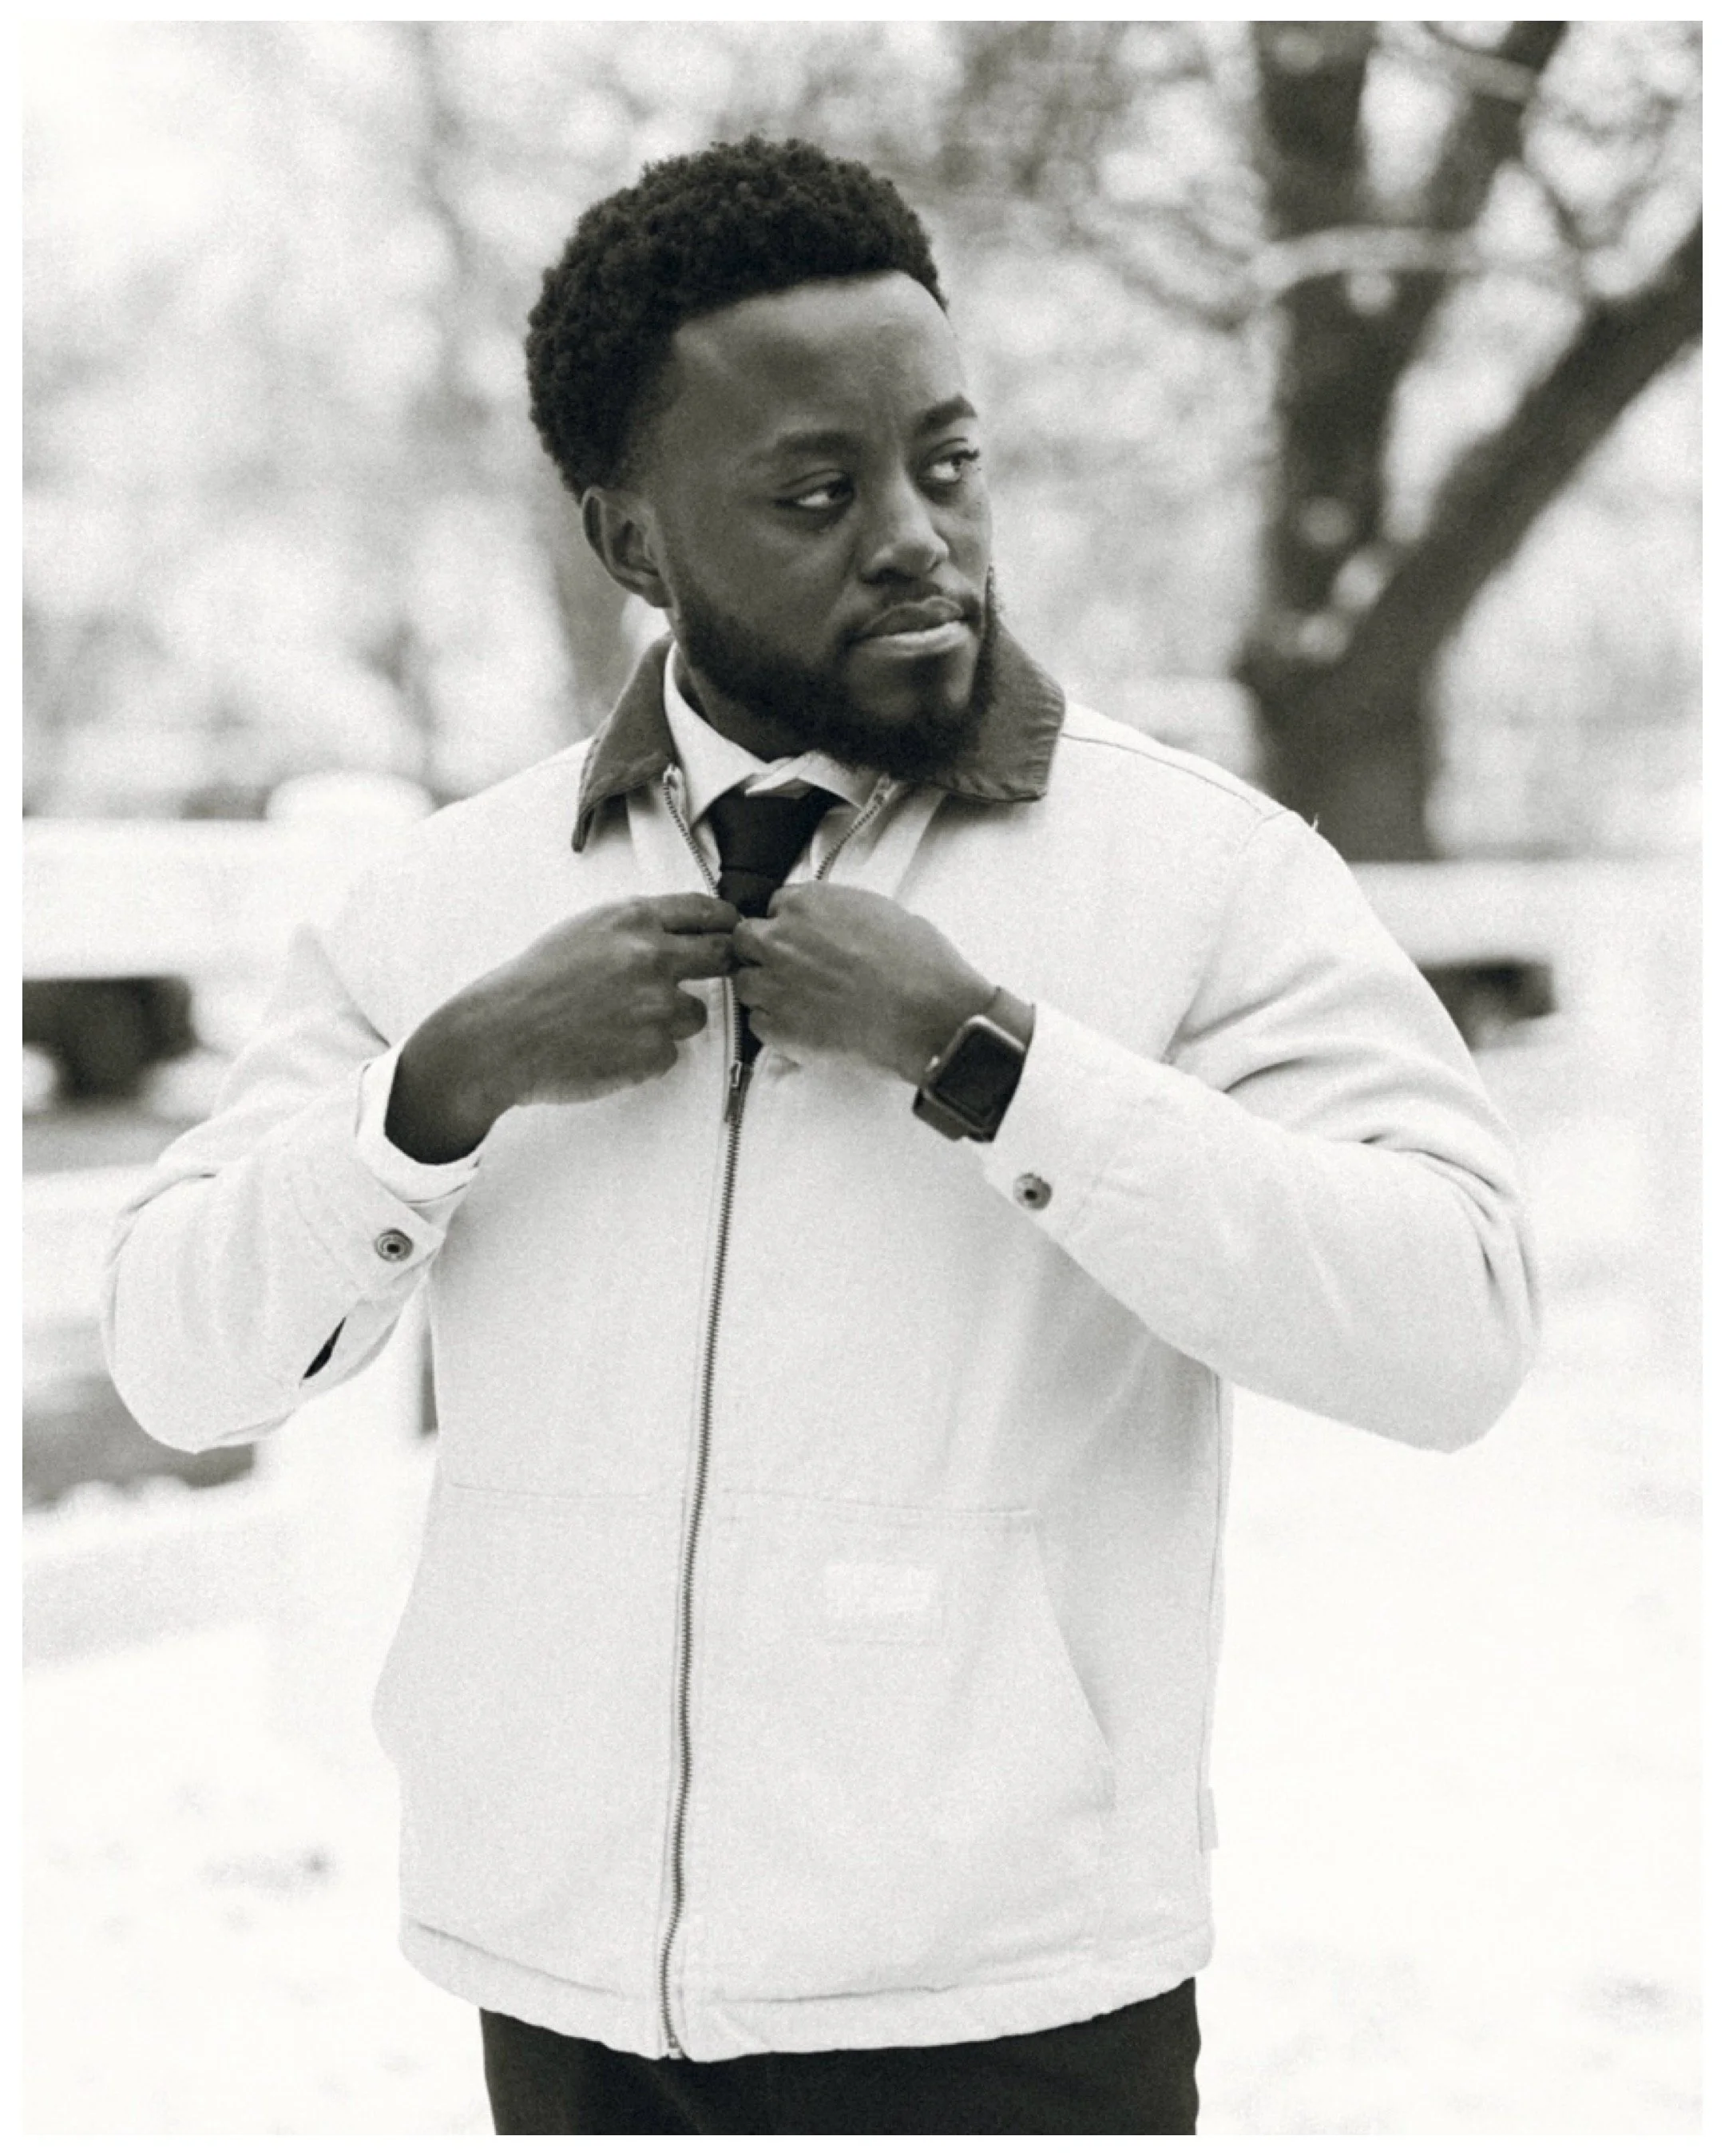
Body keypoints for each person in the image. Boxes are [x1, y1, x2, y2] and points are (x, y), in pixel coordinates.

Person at [103, 137, 1539, 2135]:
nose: (916, 540)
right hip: (570, 1987)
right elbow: (178, 1356)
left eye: (947, 465)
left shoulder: (1204, 874)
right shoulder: (439, 909)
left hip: (1008, 1997)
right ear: (631, 539)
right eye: (815, 491)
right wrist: (434, 1097)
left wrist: (989, 1058)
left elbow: (1454, 1322)